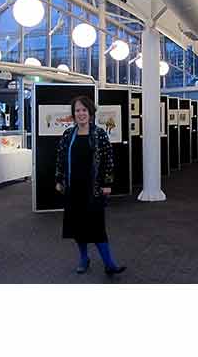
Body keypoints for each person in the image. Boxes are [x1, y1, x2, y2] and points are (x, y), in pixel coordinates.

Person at [55, 96, 126, 275]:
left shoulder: (99, 134)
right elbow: (61, 159)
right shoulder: (68, 135)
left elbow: (108, 160)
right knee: (78, 228)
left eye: (84, 110)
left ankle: (109, 264)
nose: (81, 113)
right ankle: (84, 259)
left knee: (97, 228)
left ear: (90, 113)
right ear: (73, 115)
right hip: (73, 189)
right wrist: (59, 180)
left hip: (93, 190)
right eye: (77, 110)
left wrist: (107, 183)